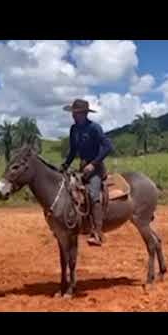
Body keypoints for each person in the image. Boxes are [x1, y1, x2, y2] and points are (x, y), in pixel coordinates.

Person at [60, 99, 113, 246]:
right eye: (73, 113)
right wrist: (65, 165)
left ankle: (97, 232)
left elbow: (108, 146)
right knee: (69, 189)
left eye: (76, 113)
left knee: (92, 194)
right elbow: (72, 151)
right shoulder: (74, 129)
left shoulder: (94, 128)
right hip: (82, 168)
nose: (73, 116)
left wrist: (93, 164)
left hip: (95, 168)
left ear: (84, 113)